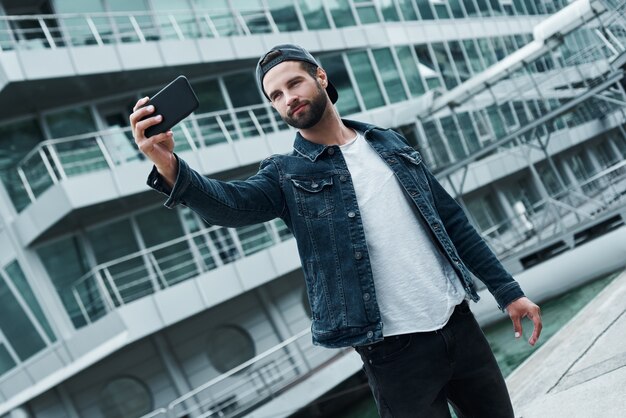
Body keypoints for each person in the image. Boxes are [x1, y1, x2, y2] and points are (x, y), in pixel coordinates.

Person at [130, 44, 542, 418]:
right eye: (275, 95)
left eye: (294, 83)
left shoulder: (388, 143)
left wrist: (509, 292)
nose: (288, 98)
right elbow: (230, 205)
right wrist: (167, 162)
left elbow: (452, 222)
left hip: (459, 324)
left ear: (320, 78)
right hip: (394, 352)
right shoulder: (286, 174)